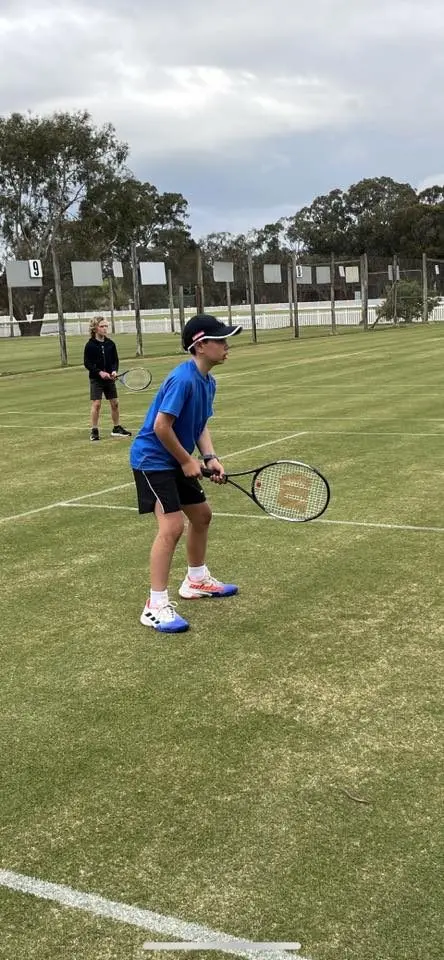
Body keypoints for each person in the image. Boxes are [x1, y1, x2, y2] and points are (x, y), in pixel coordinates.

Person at [130, 313, 242, 633]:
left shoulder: (208, 381)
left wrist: (209, 457)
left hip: (175, 457)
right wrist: (185, 461)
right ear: (201, 345)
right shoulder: (183, 378)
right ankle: (155, 605)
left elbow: (201, 423)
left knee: (202, 516)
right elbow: (161, 426)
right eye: (221, 340)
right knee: (172, 526)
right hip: (152, 460)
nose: (227, 345)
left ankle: (196, 581)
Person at [83, 316, 132, 442]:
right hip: (96, 379)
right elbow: (87, 363)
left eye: (106, 326)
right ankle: (94, 430)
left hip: (110, 379)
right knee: (97, 404)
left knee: (115, 403)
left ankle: (116, 428)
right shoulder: (90, 345)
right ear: (95, 328)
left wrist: (114, 371)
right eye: (102, 326)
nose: (105, 329)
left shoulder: (110, 344)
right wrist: (99, 372)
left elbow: (115, 360)